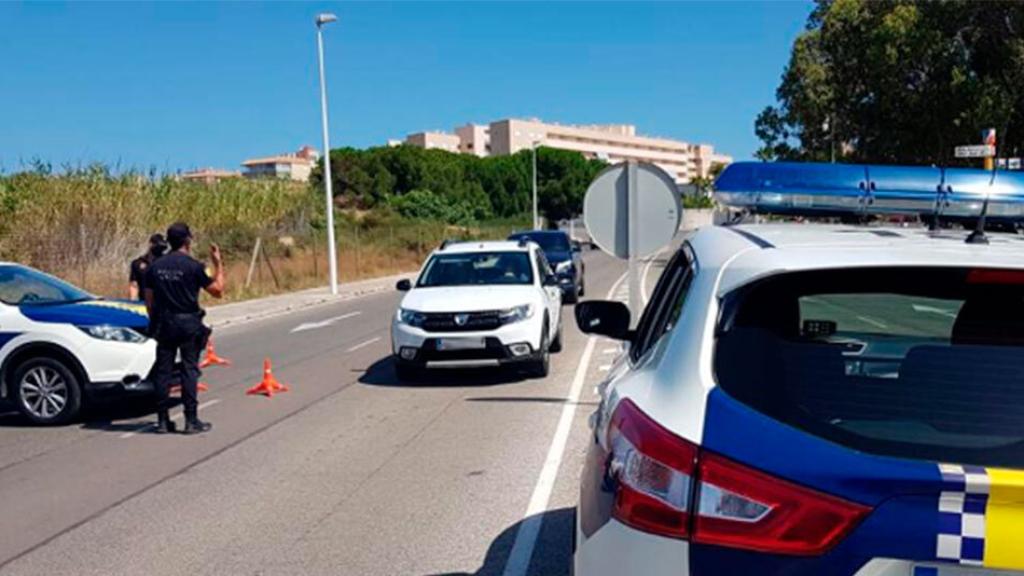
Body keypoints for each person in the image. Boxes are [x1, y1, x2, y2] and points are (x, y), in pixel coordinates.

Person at [144, 222, 225, 434]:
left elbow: (149, 301)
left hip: (165, 323)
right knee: (189, 369)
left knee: (163, 371)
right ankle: (191, 420)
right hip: (188, 323)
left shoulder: (155, 267)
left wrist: (157, 320)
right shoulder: (194, 266)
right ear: (187, 240)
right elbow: (218, 291)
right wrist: (218, 264)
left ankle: (162, 420)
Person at [128, 234, 169, 301]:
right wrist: (133, 301)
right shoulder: (138, 263)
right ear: (151, 244)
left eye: (163, 247)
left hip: (163, 305)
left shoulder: (167, 263)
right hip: (143, 303)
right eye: (158, 246)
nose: (160, 249)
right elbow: (134, 285)